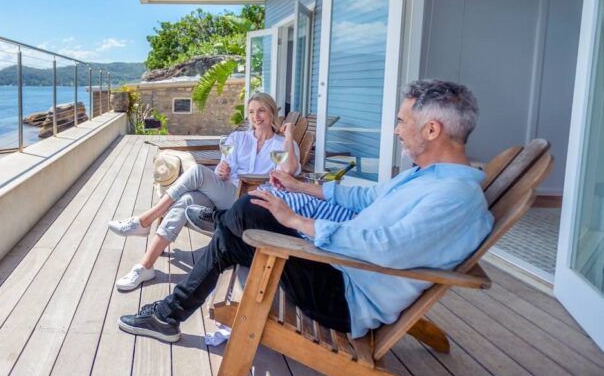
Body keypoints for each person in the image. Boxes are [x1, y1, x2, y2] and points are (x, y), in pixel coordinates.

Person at [117, 79, 494, 342]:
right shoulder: (426, 177)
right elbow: (365, 200)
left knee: (248, 211)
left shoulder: (454, 197)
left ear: (432, 130)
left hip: (346, 294)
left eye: (401, 122)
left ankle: (173, 306)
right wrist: (301, 187)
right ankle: (170, 312)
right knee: (242, 222)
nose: (396, 131)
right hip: (340, 265)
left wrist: (295, 220)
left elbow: (384, 248)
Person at [107, 92, 300, 292]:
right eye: (251, 112)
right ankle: (145, 266)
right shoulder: (238, 138)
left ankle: (145, 220)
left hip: (249, 202)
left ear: (271, 112)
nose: (256, 117)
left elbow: (289, 170)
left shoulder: (283, 143)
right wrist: (221, 171)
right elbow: (222, 169)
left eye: (261, 111)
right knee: (186, 200)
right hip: (226, 193)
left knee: (197, 172)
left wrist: (288, 135)